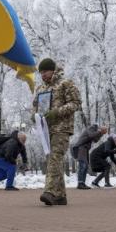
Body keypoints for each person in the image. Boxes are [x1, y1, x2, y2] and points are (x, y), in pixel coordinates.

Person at [33, 58, 81, 206]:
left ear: (53, 70)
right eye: (41, 72)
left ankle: (50, 191)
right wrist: (34, 116)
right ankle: (60, 196)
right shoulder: (40, 88)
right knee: (53, 160)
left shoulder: (66, 83)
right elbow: (35, 106)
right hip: (46, 130)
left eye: (45, 71)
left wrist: (56, 112)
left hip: (62, 128)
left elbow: (76, 103)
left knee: (55, 158)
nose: (43, 75)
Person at [70, 124, 108, 189]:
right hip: (81, 148)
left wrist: (101, 134)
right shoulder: (91, 128)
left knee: (85, 166)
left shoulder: (94, 131)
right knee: (83, 166)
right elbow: (91, 135)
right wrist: (100, 131)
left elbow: (95, 140)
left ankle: (82, 183)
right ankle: (80, 183)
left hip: (85, 149)